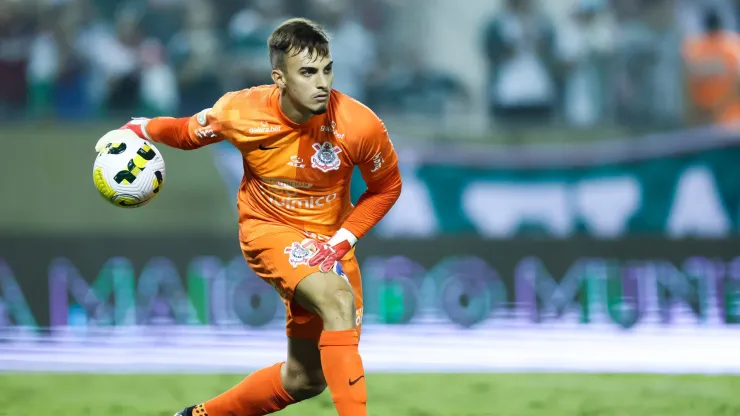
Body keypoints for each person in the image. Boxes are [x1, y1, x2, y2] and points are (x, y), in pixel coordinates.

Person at [95, 18, 402, 416]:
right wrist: (141, 127)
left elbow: (387, 187)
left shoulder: (359, 124)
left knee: (305, 379)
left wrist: (346, 237)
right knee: (339, 300)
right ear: (280, 77)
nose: (322, 83)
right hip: (268, 231)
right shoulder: (241, 111)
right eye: (307, 72)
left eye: (327, 70)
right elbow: (189, 133)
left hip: (330, 243)